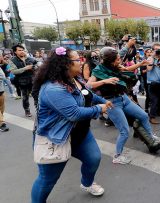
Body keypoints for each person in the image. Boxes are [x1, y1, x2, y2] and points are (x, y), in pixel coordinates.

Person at [31, 47, 112, 202]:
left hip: (80, 133)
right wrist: (99, 109)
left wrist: (102, 101)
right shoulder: (53, 88)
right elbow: (74, 113)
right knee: (47, 180)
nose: (81, 62)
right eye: (77, 60)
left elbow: (87, 93)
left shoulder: (75, 78)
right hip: (56, 137)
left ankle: (87, 183)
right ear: (65, 64)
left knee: (93, 158)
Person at [88, 47, 160, 164]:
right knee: (124, 131)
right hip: (112, 103)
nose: (120, 60)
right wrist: (104, 81)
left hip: (124, 98)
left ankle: (151, 136)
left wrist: (140, 63)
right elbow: (89, 85)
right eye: (117, 59)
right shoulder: (98, 70)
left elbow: (127, 69)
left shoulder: (115, 66)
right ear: (110, 61)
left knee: (143, 115)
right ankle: (117, 156)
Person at [9, 44, 37, 117]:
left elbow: (37, 65)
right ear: (15, 52)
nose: (22, 51)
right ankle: (27, 110)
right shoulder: (12, 60)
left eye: (23, 50)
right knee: (25, 97)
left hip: (33, 79)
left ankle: (38, 109)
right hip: (22, 81)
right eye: (19, 50)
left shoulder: (29, 58)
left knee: (36, 96)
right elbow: (14, 71)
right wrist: (25, 68)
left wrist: (34, 67)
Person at [146, 43, 160, 124]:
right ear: (152, 50)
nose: (158, 51)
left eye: (159, 49)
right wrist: (153, 56)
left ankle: (159, 112)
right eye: (156, 49)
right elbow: (149, 68)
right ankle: (152, 117)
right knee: (154, 100)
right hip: (152, 83)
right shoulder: (149, 58)